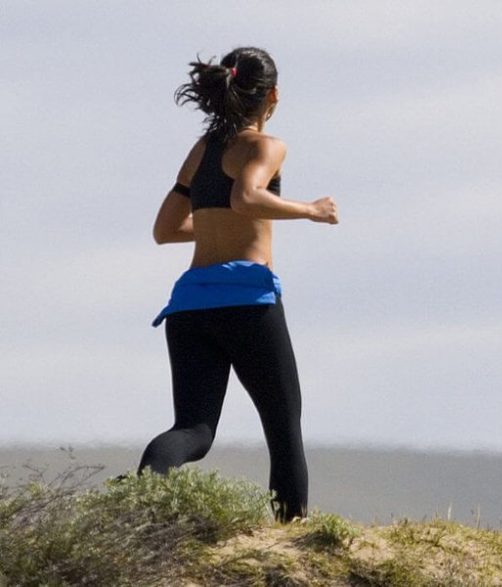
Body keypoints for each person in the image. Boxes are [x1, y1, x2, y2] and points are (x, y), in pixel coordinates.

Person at [136, 47, 338, 522]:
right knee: (283, 429)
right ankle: (293, 540)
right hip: (248, 301)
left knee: (194, 431)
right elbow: (246, 196)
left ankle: (142, 494)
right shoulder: (266, 146)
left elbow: (165, 230)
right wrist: (311, 210)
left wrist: (213, 228)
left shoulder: (203, 150)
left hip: (188, 307)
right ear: (272, 95)